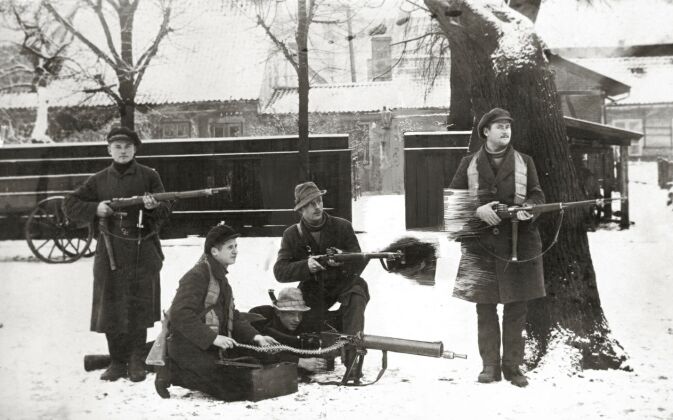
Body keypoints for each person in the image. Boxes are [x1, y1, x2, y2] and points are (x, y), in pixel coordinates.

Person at [448, 108, 546, 387]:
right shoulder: (468, 163)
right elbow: (454, 202)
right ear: (485, 132)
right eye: (499, 126)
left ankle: (513, 366)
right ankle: (489, 366)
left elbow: (537, 194)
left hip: (519, 242)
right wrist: (477, 210)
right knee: (485, 307)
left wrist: (530, 208)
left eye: (508, 126)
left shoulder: (525, 161)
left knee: (517, 307)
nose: (505, 131)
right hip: (482, 245)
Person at [64, 127, 170, 382]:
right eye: (117, 147)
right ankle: (117, 361)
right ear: (109, 150)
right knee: (110, 308)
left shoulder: (149, 176)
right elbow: (70, 204)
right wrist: (95, 208)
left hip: (142, 250)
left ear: (135, 149)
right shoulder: (98, 179)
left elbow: (166, 209)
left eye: (128, 146)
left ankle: (136, 361)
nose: (123, 151)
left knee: (139, 307)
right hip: (109, 252)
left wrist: (153, 207)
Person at [155, 223, 279, 400]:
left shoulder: (221, 279)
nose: (235, 251)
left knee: (251, 368)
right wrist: (213, 338)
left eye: (236, 246)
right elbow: (180, 314)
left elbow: (233, 316)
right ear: (214, 251)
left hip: (208, 346)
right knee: (232, 390)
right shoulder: (197, 276)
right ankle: (172, 371)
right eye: (230, 247)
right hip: (187, 348)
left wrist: (256, 337)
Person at [273, 181, 368, 374]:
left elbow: (359, 260)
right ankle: (327, 344)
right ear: (301, 209)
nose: (317, 207)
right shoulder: (292, 234)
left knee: (357, 293)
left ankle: (352, 359)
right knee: (302, 327)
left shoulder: (342, 226)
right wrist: (306, 266)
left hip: (342, 284)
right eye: (310, 204)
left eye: (319, 201)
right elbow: (280, 271)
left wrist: (342, 258)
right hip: (313, 290)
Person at [249, 287, 330, 374]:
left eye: (300, 314)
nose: (297, 319)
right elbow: (258, 353)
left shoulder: (303, 325)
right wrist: (300, 361)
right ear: (278, 312)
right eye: (291, 314)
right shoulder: (261, 318)